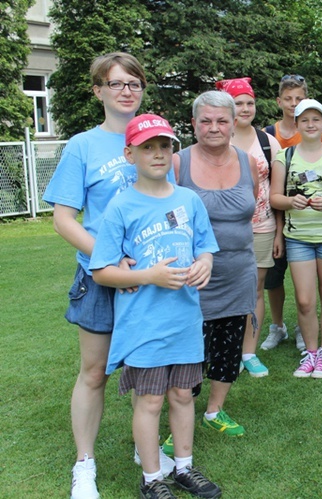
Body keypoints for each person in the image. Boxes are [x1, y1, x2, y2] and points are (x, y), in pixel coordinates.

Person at [42, 52, 174, 499]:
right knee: (94, 372)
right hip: (100, 277)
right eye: (116, 84)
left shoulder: (156, 138)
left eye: (134, 83)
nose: (126, 91)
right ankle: (85, 465)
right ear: (98, 90)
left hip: (151, 277)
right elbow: (64, 218)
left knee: (147, 369)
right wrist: (110, 260)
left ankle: (146, 448)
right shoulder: (82, 145)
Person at [90, 114, 221, 499]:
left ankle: (183, 467)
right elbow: (101, 270)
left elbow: (206, 246)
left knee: (183, 394)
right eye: (148, 147)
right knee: (148, 400)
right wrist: (149, 276)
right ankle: (151, 478)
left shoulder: (188, 199)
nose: (158, 154)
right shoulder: (121, 206)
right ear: (130, 154)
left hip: (183, 319)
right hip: (144, 323)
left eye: (164, 146)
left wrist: (205, 264)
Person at [171, 90, 259, 441]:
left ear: (233, 124)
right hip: (191, 277)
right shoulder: (178, 164)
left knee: (229, 345)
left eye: (222, 120)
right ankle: (182, 416)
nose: (214, 127)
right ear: (193, 124)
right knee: (190, 351)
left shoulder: (248, 162)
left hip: (239, 272)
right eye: (205, 121)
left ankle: (214, 410)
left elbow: (252, 212)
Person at [270, 99, 322, 377]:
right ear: (296, 124)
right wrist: (291, 201)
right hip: (298, 238)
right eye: (304, 120)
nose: (310, 124)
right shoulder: (285, 157)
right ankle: (310, 352)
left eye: (316, 119)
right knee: (305, 300)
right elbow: (275, 198)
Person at [261, 74, 322, 352]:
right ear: (279, 101)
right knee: (274, 277)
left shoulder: (318, 133)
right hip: (277, 216)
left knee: (309, 280)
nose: (293, 104)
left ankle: (305, 328)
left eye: (299, 99)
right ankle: (277, 326)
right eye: (288, 99)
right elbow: (271, 186)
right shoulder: (268, 135)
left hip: (310, 221)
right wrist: (278, 229)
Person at [216, 77, 282, 378]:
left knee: (255, 289)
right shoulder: (218, 138)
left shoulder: (268, 142)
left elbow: (278, 189)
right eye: (238, 103)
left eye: (250, 103)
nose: (245, 108)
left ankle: (249, 352)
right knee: (224, 288)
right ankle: (224, 349)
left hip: (262, 225)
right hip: (224, 228)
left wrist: (279, 230)